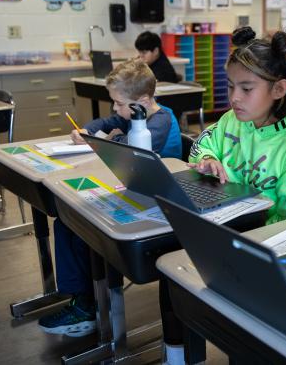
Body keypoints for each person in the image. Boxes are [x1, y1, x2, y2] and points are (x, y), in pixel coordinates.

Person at [159, 26, 286, 365]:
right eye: (231, 87)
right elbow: (201, 144)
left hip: (268, 249)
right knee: (174, 268)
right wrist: (207, 161)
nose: (234, 97)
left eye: (246, 88)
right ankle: (177, 355)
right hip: (229, 232)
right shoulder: (232, 120)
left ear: (279, 89)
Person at [38, 58, 182, 337]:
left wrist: (109, 139)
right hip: (136, 194)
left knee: (84, 228)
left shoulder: (161, 120)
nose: (115, 109)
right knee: (66, 221)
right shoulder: (132, 113)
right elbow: (107, 123)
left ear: (141, 100)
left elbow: (127, 149)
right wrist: (89, 131)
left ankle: (86, 305)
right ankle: (81, 298)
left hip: (158, 207)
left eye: (118, 103)